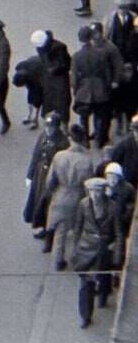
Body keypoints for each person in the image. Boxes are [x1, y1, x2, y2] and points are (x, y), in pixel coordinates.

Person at [72, 177, 123, 328]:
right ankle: (85, 315)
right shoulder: (83, 204)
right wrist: (75, 250)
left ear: (103, 191)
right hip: (86, 250)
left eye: (98, 191)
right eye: (92, 191)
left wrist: (117, 255)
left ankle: (103, 295)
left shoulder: (113, 207)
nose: (95, 195)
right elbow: (77, 228)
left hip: (104, 250)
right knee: (85, 284)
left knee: (104, 277)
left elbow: (119, 233)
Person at [46, 124, 97, 270]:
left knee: (60, 232)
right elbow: (88, 184)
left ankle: (58, 260)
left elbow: (50, 181)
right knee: (77, 230)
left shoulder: (59, 156)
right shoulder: (86, 161)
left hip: (61, 195)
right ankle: (76, 259)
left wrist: (54, 192)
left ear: (70, 139)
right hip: (77, 197)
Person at [25, 112, 71, 250]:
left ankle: (50, 236)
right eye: (47, 126)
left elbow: (63, 164)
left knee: (49, 206)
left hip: (53, 176)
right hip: (41, 174)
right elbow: (36, 154)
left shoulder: (63, 142)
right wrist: (30, 174)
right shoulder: (43, 136)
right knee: (39, 202)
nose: (48, 129)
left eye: (51, 126)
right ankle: (44, 228)